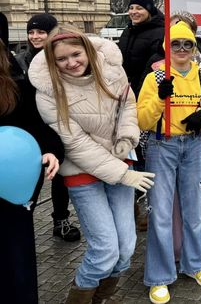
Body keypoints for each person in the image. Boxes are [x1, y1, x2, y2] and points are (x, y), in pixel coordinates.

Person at [30, 25, 155, 304]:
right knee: (105, 250)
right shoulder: (48, 91)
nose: (71, 63)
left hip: (121, 163)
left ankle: (98, 298)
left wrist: (127, 136)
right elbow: (74, 144)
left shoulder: (111, 68)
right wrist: (122, 173)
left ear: (87, 49)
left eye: (76, 54)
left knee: (126, 248)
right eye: (62, 59)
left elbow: (127, 105)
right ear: (52, 61)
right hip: (83, 174)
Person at [137, 21, 201, 304]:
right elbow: (141, 119)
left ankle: (196, 263)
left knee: (194, 210)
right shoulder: (155, 77)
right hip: (161, 146)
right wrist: (159, 99)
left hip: (193, 146)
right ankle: (159, 276)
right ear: (167, 46)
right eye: (176, 43)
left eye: (188, 44)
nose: (182, 49)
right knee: (161, 213)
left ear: (194, 48)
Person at [0, 12, 63, 304]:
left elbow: (42, 128)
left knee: (16, 259)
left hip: (14, 188)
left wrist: (51, 150)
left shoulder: (17, 86)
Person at [15, 13, 81, 242]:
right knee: (34, 174)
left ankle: (61, 219)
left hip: (57, 122)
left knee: (60, 173)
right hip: (31, 126)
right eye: (31, 32)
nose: (35, 36)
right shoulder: (21, 60)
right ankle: (24, 217)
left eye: (40, 32)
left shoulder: (61, 58)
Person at [117, 0, 165, 229]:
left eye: (139, 8)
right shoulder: (128, 31)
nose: (134, 12)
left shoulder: (159, 32)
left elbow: (153, 69)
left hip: (144, 99)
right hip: (125, 97)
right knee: (130, 150)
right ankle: (132, 202)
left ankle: (148, 205)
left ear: (149, 10)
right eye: (131, 7)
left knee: (144, 152)